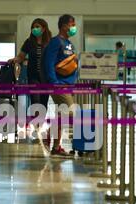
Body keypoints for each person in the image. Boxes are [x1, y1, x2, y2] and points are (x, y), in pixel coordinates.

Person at [43, 14, 78, 156]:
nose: (74, 28)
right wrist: (54, 83)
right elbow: (49, 63)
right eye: (72, 24)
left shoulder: (70, 44)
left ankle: (56, 147)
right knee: (70, 113)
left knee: (62, 113)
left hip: (68, 85)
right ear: (64, 26)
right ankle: (47, 135)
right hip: (59, 85)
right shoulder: (55, 42)